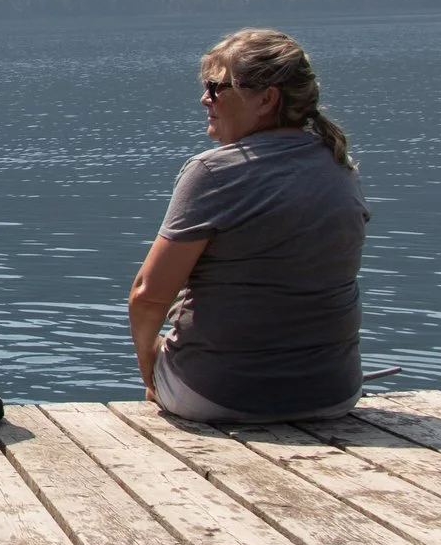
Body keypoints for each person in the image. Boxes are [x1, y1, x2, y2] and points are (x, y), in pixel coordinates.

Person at [129, 28, 368, 424]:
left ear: (266, 99)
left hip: (216, 396)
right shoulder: (339, 165)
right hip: (334, 394)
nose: (205, 98)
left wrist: (150, 371)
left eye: (216, 86)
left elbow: (147, 296)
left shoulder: (212, 173)